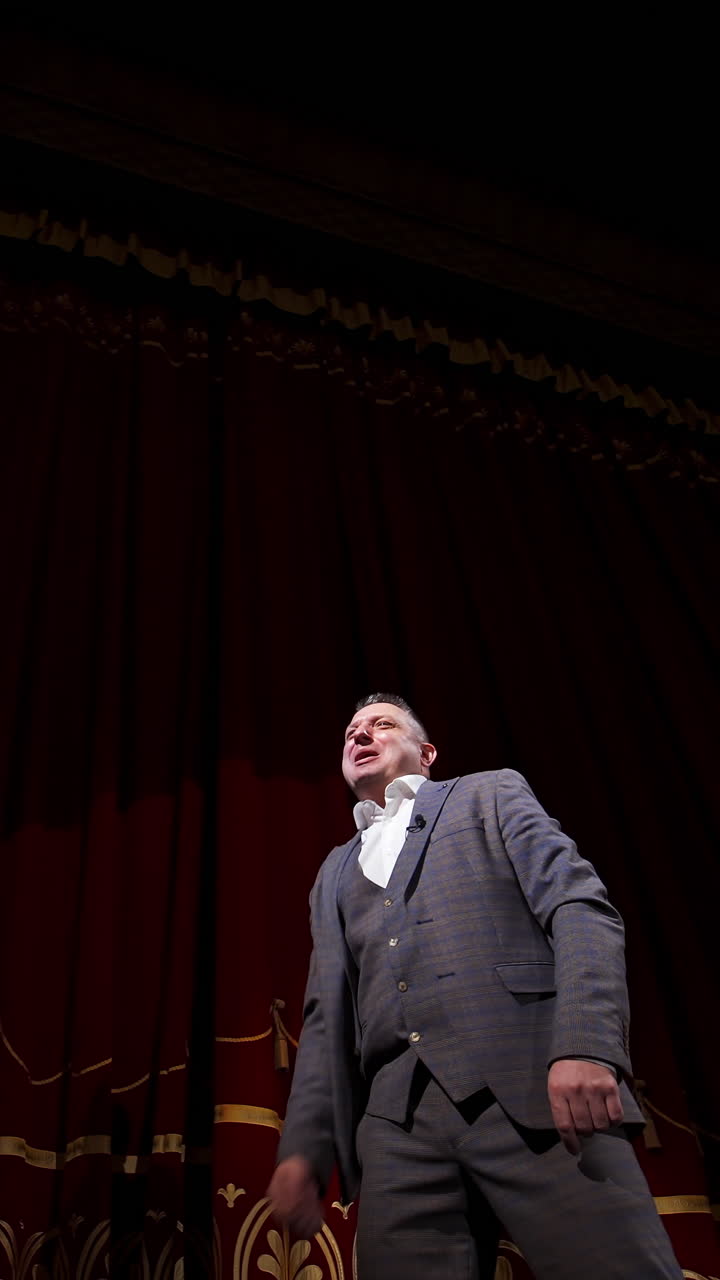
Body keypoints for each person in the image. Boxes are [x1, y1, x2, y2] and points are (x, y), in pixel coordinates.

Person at [267, 693, 682, 1278]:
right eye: (351, 731)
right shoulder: (332, 872)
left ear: (427, 752)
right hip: (396, 1131)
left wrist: (586, 1044)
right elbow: (324, 1019)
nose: (359, 735)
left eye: (381, 725)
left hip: (537, 1088)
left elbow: (580, 907)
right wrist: (305, 1151)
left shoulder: (488, 793)